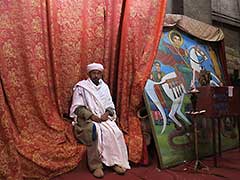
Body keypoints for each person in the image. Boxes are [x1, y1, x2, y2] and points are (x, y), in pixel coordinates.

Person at [70, 63, 130, 178]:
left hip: (103, 118)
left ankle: (114, 162)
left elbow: (110, 105)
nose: (96, 75)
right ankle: (96, 166)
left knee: (115, 132)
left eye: (98, 73)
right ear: (89, 74)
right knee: (95, 131)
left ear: (101, 74)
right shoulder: (82, 87)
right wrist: (92, 117)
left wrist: (106, 114)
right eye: (94, 73)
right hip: (87, 120)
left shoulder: (104, 87)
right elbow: (78, 108)